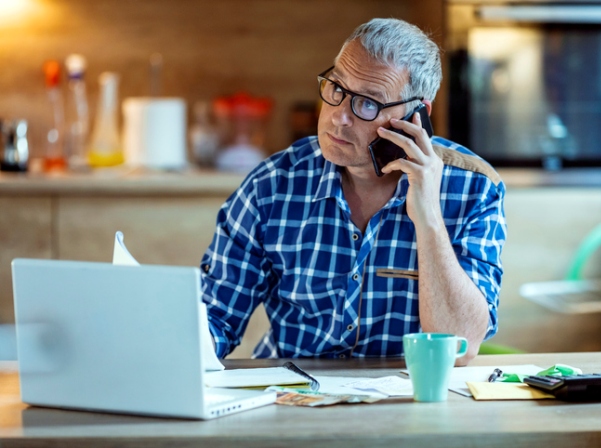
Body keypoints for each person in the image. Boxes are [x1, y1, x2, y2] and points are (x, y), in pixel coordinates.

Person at [200, 18, 506, 364]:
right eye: (337, 89)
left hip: (410, 401)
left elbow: (459, 348)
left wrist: (430, 219)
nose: (338, 117)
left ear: (416, 115)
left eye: (367, 104)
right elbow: (214, 317)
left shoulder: (474, 188)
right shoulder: (272, 185)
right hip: (292, 397)